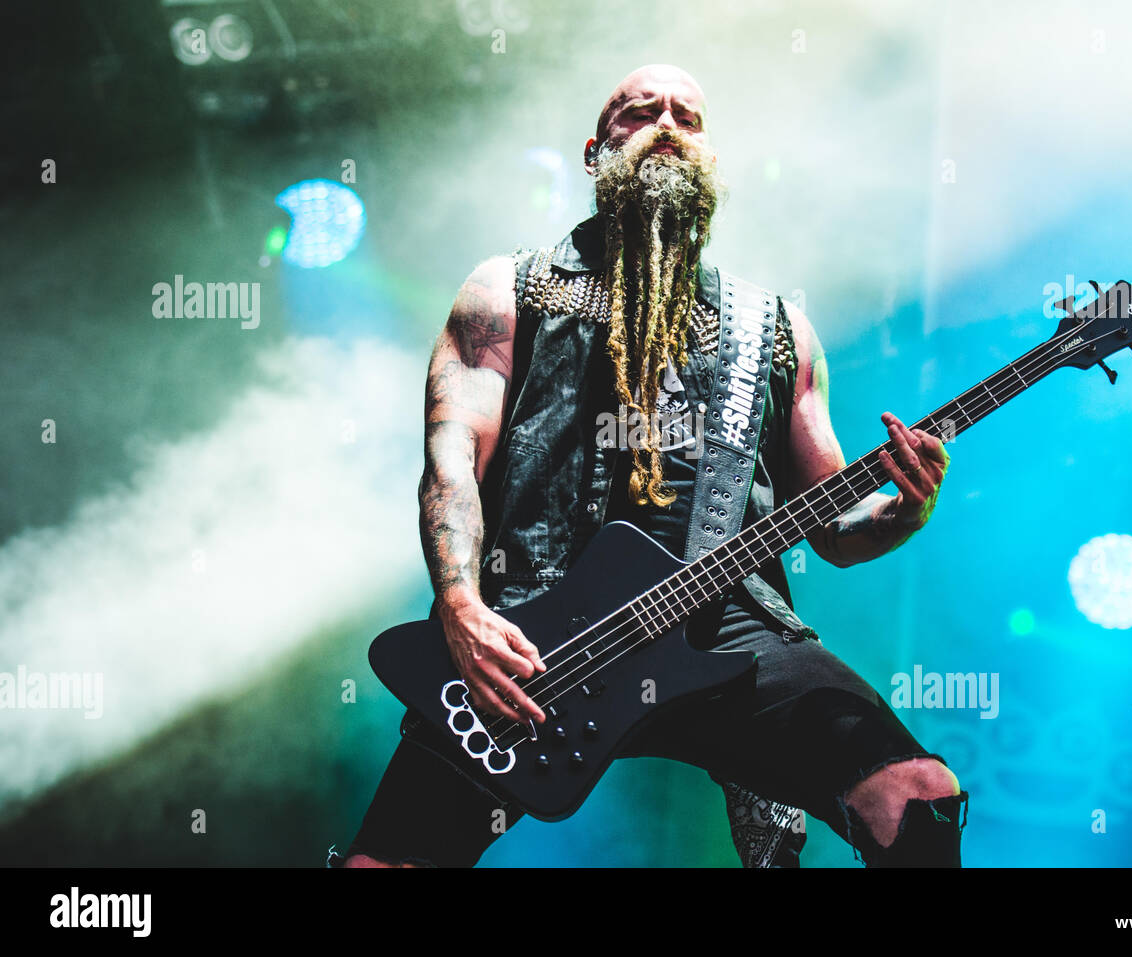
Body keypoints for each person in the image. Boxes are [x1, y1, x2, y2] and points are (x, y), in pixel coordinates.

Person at [332, 64, 967, 868]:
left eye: (689, 117)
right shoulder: (511, 288)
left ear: (708, 158)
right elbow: (451, 461)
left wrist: (907, 508)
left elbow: (835, 530)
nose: (667, 124)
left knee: (917, 793)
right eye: (641, 112)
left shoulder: (774, 327)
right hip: (533, 633)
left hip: (729, 625)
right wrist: (461, 606)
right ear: (597, 152)